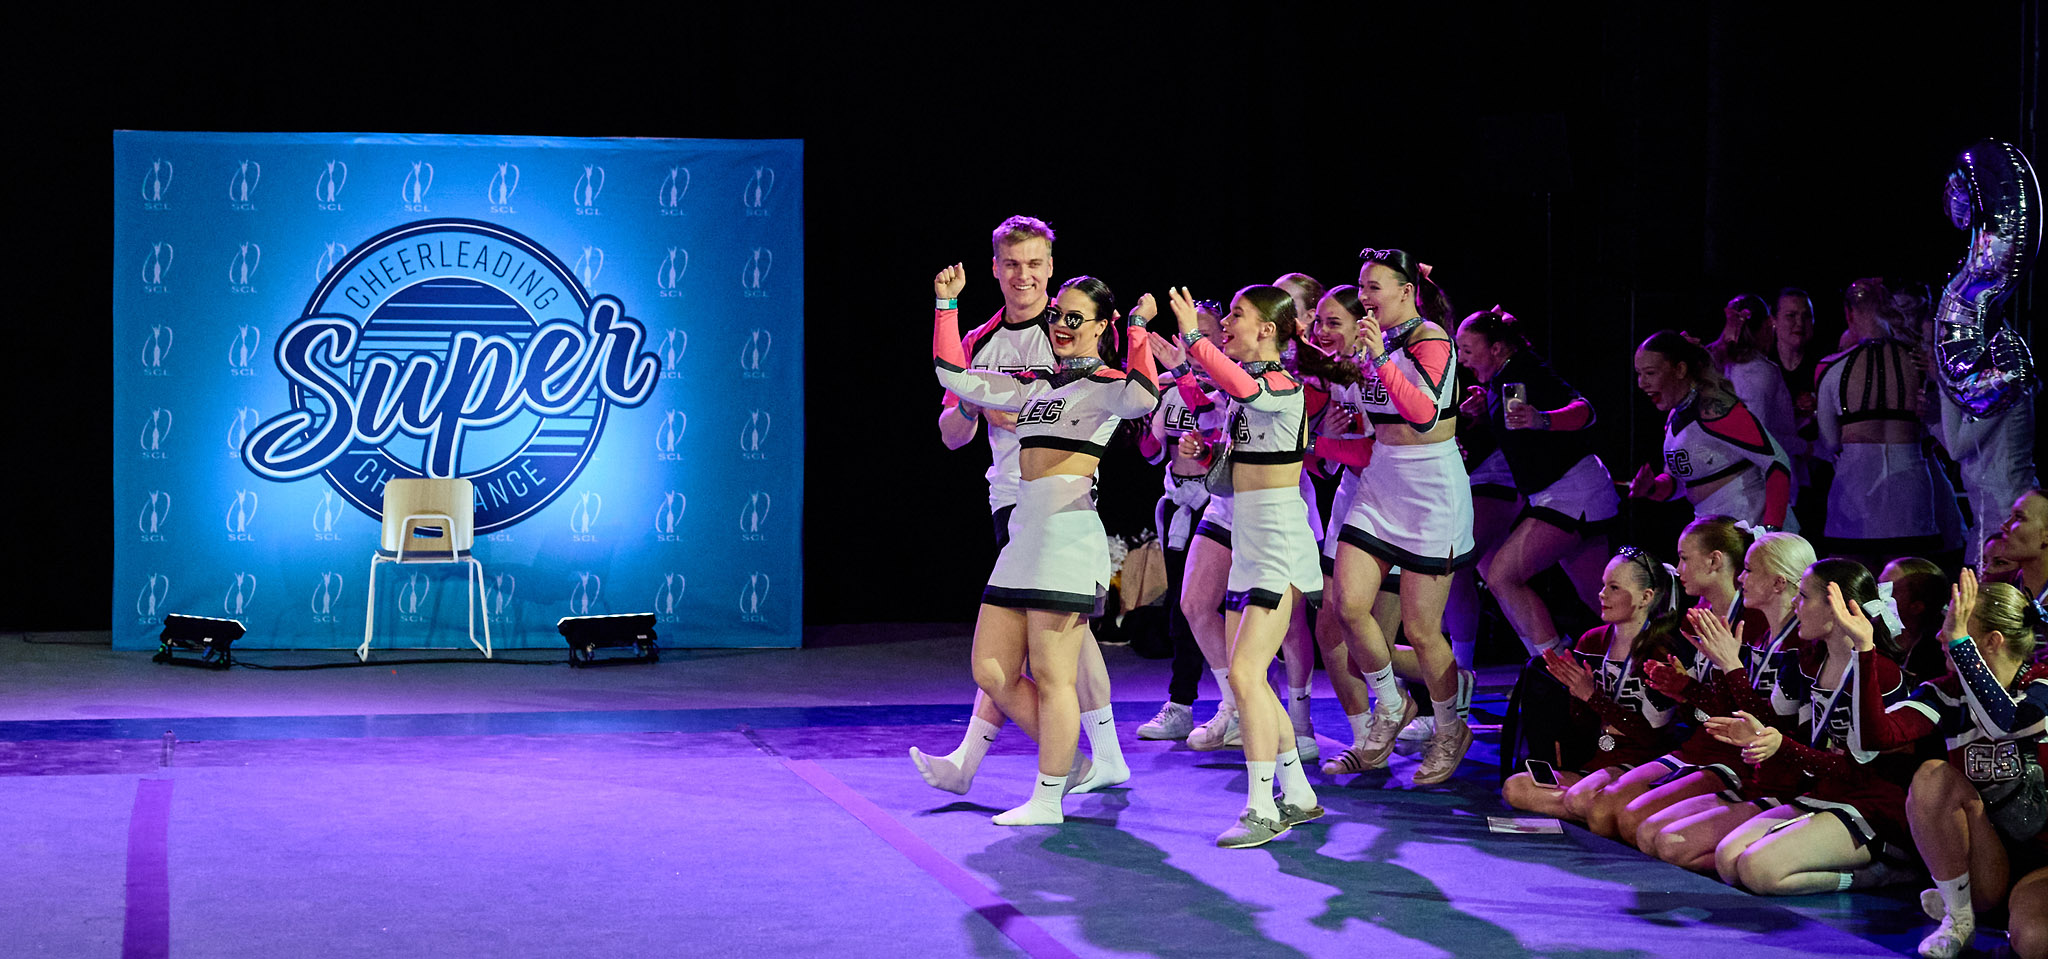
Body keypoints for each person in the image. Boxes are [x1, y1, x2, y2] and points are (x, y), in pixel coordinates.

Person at [931, 269, 1160, 824]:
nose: (1060, 323)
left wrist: (1137, 330)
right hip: (1024, 536)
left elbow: (1143, 395)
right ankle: (1076, 764)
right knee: (991, 669)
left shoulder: (1106, 383)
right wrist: (946, 306)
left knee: (1056, 676)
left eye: (1075, 317)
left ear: (1100, 325)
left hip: (1066, 538)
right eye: (1057, 314)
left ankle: (1048, 796)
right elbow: (954, 375)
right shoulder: (1037, 385)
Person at [1168, 284, 1325, 847]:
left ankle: (1262, 808)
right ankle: (1298, 793)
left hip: (1278, 541)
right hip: (1249, 542)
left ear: (1267, 330)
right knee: (1249, 676)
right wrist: (1208, 454)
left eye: (1237, 316)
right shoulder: (1246, 391)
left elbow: (1242, 386)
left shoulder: (1280, 384)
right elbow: (1249, 459)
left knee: (1246, 675)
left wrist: (1194, 338)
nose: (1228, 324)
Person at [1325, 248, 1477, 786]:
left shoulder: (1430, 339)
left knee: (1422, 629)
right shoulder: (1377, 341)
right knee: (1347, 606)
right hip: (1380, 484)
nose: (1364, 298)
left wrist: (1379, 359)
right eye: (1361, 287)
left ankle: (1449, 728)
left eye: (1374, 288)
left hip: (1430, 490)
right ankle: (1391, 705)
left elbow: (1425, 412)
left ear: (1407, 291)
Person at [1853, 570, 2047, 959]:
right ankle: (1958, 919)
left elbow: (2006, 724)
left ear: (1991, 641)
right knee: (1932, 776)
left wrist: (1961, 645)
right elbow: (1872, 740)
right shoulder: (1947, 693)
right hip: (1985, 860)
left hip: (2042, 863)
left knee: (2035, 943)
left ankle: (1998, 912)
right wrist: (1864, 651)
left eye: (1955, 625)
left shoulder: (2042, 683)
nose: (1942, 636)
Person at [1708, 559, 1916, 895]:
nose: (1794, 603)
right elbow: (1784, 729)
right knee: (1728, 860)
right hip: (1825, 789)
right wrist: (1758, 731)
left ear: (1836, 609)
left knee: (1757, 870)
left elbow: (1862, 770)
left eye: (1803, 596)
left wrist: (1782, 746)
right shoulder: (1809, 660)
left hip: (1872, 802)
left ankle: (1879, 875)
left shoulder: (1882, 673)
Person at [1635, 532, 1818, 871]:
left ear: (1778, 583)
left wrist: (1730, 666)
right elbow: (1726, 712)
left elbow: (1767, 728)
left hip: (1787, 783)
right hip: (1755, 775)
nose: (1741, 578)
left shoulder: (1798, 643)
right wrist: (1688, 688)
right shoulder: (1765, 637)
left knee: (1672, 845)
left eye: (1749, 570)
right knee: (1647, 833)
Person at [1588, 516, 1764, 842]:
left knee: (1632, 822)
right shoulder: (1692, 620)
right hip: (1698, 746)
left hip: (1738, 756)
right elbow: (1699, 715)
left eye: (1684, 558)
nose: (1678, 568)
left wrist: (1691, 687)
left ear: (1714, 561)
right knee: (1602, 811)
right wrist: (1680, 692)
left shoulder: (1753, 623)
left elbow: (1753, 716)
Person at [1455, 306, 1618, 656]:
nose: (1462, 359)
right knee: (1605, 601)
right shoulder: (1502, 380)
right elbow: (1517, 425)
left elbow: (1585, 410)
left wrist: (1543, 419)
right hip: (1565, 494)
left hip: (1572, 492)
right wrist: (1486, 407)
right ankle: (1658, 656)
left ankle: (1555, 667)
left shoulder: (1525, 368)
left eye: (1467, 350)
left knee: (1502, 576)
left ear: (1496, 348)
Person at [1501, 546, 1684, 820]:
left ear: (1646, 597)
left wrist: (1592, 696)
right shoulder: (1592, 641)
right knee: (1515, 787)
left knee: (1580, 796)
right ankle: (1603, 813)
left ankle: (1604, 809)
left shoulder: (1660, 652)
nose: (1601, 594)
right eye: (1603, 585)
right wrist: (1574, 695)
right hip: (1595, 759)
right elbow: (1584, 727)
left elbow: (1651, 737)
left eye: (1614, 588)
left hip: (1640, 762)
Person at [1133, 303, 1228, 741]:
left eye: (1204, 334)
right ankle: (1181, 704)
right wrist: (1142, 413)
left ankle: (1239, 702)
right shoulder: (1170, 388)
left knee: (1220, 608)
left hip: (1218, 505)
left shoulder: (1231, 387)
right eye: (1189, 334)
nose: (1193, 343)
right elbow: (1152, 452)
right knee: (1182, 606)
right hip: (1178, 506)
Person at [1814, 278, 1948, 566]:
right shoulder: (1921, 362)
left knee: (1850, 584)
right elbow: (1940, 425)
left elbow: (1830, 441)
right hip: (1910, 489)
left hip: (1855, 491)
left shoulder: (1831, 368)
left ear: (1849, 313)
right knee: (1909, 586)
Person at [1628, 330, 1793, 530]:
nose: (1641, 383)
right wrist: (1652, 488)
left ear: (1680, 369)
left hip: (1749, 528)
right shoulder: (1674, 418)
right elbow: (1681, 483)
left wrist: (1770, 532)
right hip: (1715, 532)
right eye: (1639, 374)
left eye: (1650, 373)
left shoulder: (1714, 410)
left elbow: (1777, 461)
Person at [1771, 289, 1828, 536]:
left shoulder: (1824, 362)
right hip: (1775, 470)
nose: (1799, 323)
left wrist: (1818, 406)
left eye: (1806, 316)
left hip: (1816, 471)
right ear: (1774, 321)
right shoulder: (1764, 364)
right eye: (1791, 316)